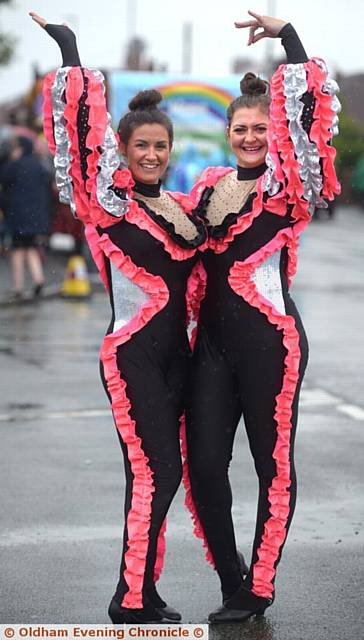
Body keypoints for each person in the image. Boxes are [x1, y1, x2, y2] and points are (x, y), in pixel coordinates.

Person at [30, 12, 207, 624]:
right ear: (125, 153)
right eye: (141, 146)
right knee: (154, 469)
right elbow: (81, 138)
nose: (152, 154)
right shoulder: (108, 209)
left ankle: (141, 589)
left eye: (161, 146)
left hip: (177, 358)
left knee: (163, 473)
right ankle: (129, 597)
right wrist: (71, 51)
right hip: (131, 356)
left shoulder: (185, 212)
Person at [185, 10, 340, 623]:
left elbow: (310, 116)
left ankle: (261, 585)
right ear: (227, 133)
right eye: (240, 129)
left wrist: (290, 39)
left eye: (259, 128)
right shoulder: (206, 188)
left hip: (271, 343)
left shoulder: (287, 188)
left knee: (272, 464)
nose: (250, 138)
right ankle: (231, 575)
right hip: (212, 347)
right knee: (202, 465)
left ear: (271, 132)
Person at [0, 135, 51, 300]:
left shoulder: (13, 167)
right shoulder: (38, 166)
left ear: (20, 149)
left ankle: (18, 287)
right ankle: (38, 279)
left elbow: (4, 183)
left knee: (17, 250)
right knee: (30, 247)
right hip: (36, 217)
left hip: (18, 217)